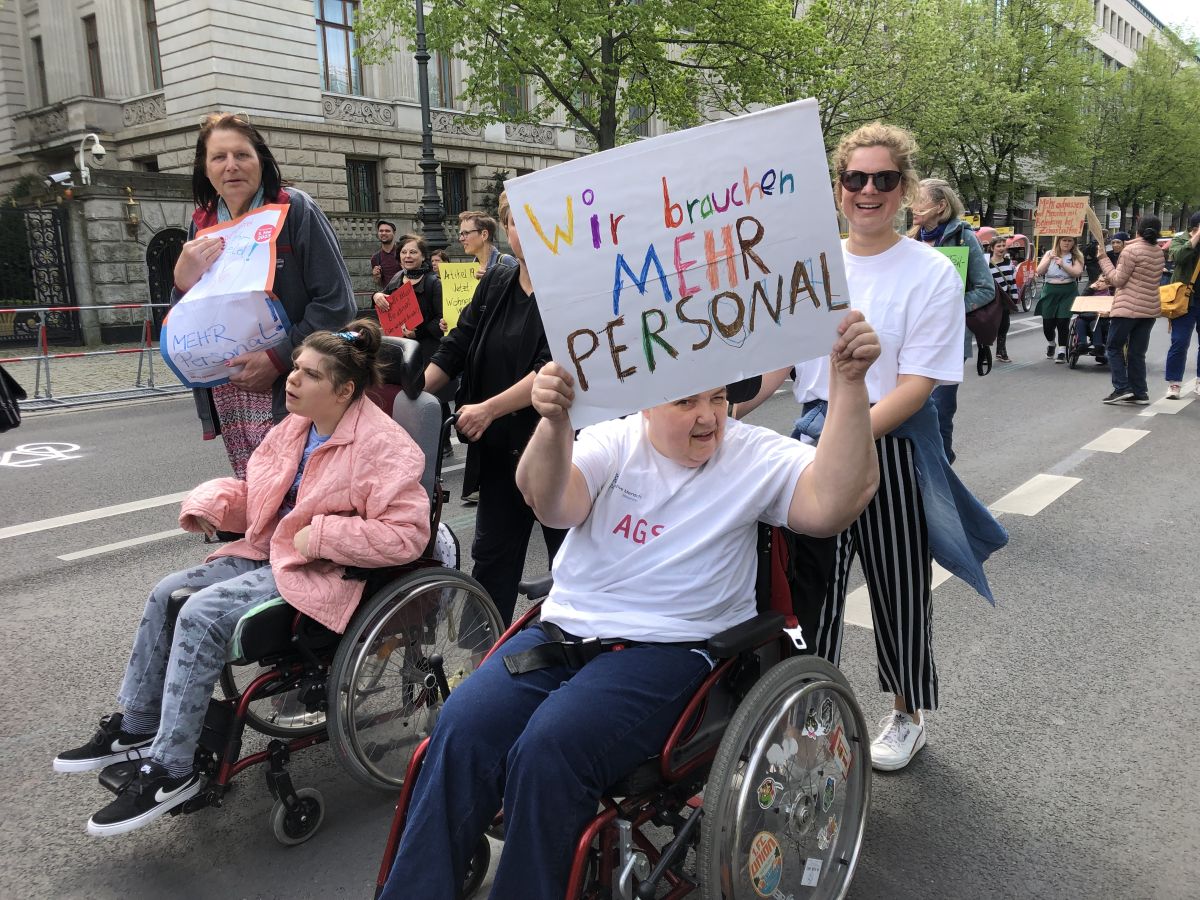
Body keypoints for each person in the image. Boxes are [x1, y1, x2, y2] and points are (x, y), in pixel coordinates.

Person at [379, 312, 883, 900]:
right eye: (685, 401)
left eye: (718, 398)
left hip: (670, 651)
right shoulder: (612, 440)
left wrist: (849, 384)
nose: (708, 417)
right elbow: (551, 503)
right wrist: (553, 422)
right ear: (645, 402)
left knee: (550, 749)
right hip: (563, 634)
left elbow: (834, 503)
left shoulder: (752, 456)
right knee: (462, 727)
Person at [53, 320, 431, 835]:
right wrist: (211, 503)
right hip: (271, 550)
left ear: (344, 390)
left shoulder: (383, 445)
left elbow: (406, 535)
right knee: (167, 591)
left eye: (308, 374)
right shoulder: (293, 427)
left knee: (201, 613)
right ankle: (138, 726)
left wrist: (319, 537)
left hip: (321, 569)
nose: (292, 380)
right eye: (294, 367)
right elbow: (258, 491)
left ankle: (173, 769)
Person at [737, 122, 1007, 772]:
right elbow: (778, 363)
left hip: (889, 448)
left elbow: (917, 386)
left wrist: (848, 437)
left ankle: (908, 714)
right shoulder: (809, 265)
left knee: (897, 588)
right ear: (837, 187)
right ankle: (809, 714)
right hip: (810, 443)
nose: (867, 191)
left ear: (905, 188)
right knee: (809, 592)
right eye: (855, 178)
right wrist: (726, 406)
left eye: (883, 179)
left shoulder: (932, 273)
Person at [172, 113, 356, 478]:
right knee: (256, 492)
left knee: (301, 496)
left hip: (293, 380)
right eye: (218, 157)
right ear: (204, 168)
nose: (231, 167)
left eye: (242, 155)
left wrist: (277, 357)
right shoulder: (203, 223)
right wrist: (181, 279)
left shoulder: (295, 210)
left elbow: (337, 305)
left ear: (261, 160)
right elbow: (188, 314)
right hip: (231, 388)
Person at [423, 193, 563, 624]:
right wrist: (413, 393)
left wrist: (487, 409)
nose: (528, 229)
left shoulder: (571, 287)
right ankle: (483, 660)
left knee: (573, 561)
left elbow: (553, 367)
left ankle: (576, 650)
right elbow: (457, 345)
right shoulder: (496, 283)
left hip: (559, 455)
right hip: (501, 455)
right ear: (505, 228)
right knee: (491, 566)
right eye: (518, 220)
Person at [909, 178, 994, 464]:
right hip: (910, 340)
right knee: (910, 412)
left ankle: (943, 471)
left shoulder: (964, 238)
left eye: (918, 200)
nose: (912, 206)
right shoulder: (908, 239)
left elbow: (986, 289)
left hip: (948, 341)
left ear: (940, 205)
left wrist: (951, 308)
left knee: (941, 410)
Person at [373, 234, 454, 432]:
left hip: (428, 350)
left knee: (433, 398)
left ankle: (441, 442)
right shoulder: (396, 278)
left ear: (423, 256)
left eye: (413, 252)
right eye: (404, 252)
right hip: (404, 352)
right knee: (407, 397)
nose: (407, 256)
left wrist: (417, 333)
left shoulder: (434, 282)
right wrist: (377, 296)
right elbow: (383, 304)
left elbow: (441, 319)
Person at [1088, 209, 1163, 405]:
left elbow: (1118, 280)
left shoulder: (1131, 250)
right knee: (1137, 352)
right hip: (1149, 309)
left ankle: (1122, 387)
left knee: (1113, 347)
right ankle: (1140, 392)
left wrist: (1103, 258)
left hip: (1127, 308)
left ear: (1137, 229)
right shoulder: (1158, 252)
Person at [1164, 212, 1200, 399]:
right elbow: (1178, 258)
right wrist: (1196, 239)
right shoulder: (1181, 240)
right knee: (1179, 341)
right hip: (1185, 300)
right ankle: (1174, 383)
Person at [1035, 235, 1084, 363]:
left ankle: (1062, 351)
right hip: (1050, 290)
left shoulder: (1077, 256)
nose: (1066, 243)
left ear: (1074, 242)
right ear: (1058, 241)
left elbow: (1077, 272)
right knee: (1048, 324)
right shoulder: (1049, 253)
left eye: (1069, 241)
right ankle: (1051, 343)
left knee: (1063, 322)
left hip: (1068, 290)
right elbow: (1039, 271)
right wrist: (1049, 259)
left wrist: (1063, 264)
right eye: (1064, 240)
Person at [980, 228, 1017, 361]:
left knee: (1004, 326)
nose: (1002, 248)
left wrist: (1014, 297)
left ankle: (1001, 352)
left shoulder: (1009, 263)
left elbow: (1012, 281)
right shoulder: (985, 263)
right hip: (989, 299)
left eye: (1003, 246)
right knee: (988, 327)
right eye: (998, 246)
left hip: (1004, 299)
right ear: (992, 248)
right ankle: (984, 354)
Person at [457, 209, 517, 279]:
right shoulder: (472, 270)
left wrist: (491, 281)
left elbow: (524, 288)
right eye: (461, 234)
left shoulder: (505, 261)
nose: (461, 239)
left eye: (466, 233)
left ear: (484, 235)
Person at [371, 219, 402, 289]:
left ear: (394, 233)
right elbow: (378, 283)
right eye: (381, 231)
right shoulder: (375, 258)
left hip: (404, 295)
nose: (383, 233)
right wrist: (376, 277)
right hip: (387, 296)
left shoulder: (403, 253)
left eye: (387, 231)